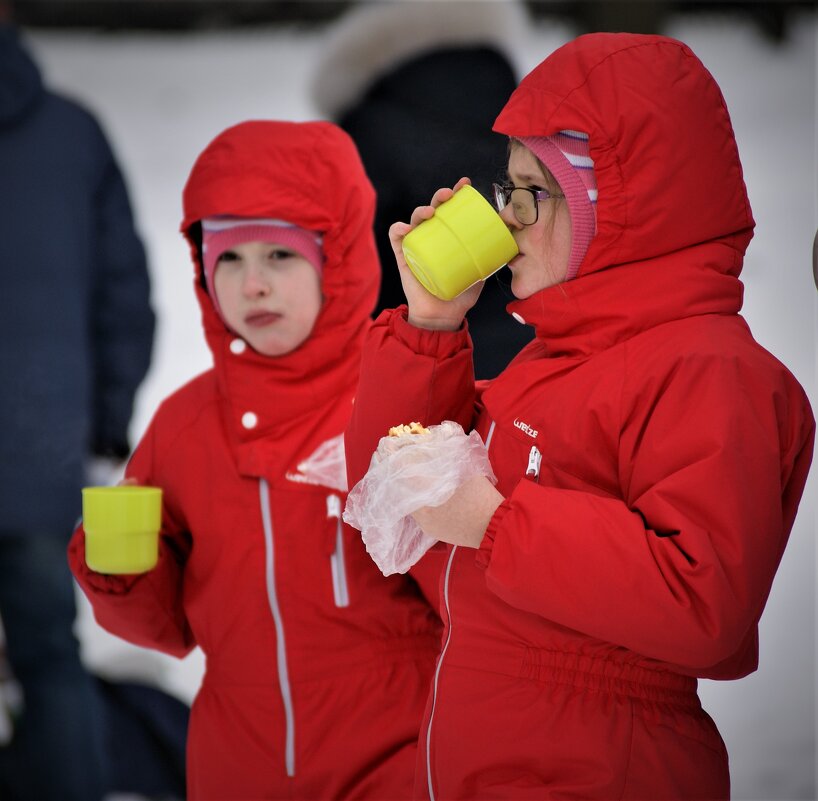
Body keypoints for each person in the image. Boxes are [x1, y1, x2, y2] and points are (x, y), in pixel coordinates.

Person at [344, 32, 815, 800]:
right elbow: (391, 499)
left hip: (606, 766)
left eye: (533, 192)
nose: (510, 219)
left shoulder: (713, 372)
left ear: (620, 208)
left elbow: (704, 602)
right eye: (510, 190)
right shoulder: (547, 364)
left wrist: (499, 524)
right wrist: (427, 327)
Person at [68, 119, 441, 800]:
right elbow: (165, 628)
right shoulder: (183, 426)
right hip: (238, 757)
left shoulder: (397, 391)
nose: (252, 285)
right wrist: (118, 568)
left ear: (339, 258)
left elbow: (473, 592)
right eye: (228, 260)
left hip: (400, 747)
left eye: (280, 256)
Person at [0, 21, 154, 801]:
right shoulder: (71, 133)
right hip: (41, 452)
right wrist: (100, 429)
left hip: (45, 453)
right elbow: (125, 299)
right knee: (51, 659)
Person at [310, 0, 534, 379]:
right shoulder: (513, 97)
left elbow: (354, 281)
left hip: (441, 369)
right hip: (542, 353)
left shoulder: (367, 131)